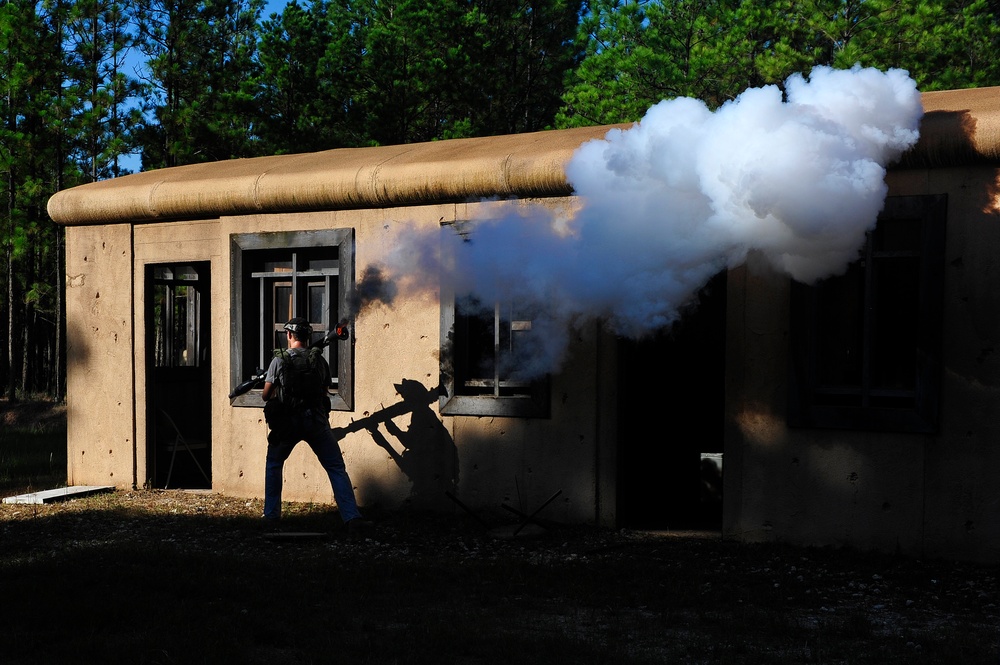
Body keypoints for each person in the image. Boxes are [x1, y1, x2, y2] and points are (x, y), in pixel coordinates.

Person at [261, 317, 370, 534]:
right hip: (316, 422)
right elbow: (324, 392)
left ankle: (271, 517)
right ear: (308, 336)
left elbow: (265, 395)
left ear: (289, 335)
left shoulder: (279, 360)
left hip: (287, 425)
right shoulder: (319, 361)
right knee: (336, 468)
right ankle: (352, 518)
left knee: (274, 465)